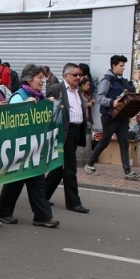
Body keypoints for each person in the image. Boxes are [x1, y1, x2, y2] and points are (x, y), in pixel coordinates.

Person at [0, 64, 60, 228]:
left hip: (34, 147)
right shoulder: (19, 96)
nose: (42, 81)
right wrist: (24, 107)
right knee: (15, 181)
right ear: (29, 79)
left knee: (37, 181)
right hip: (19, 146)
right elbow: (11, 120)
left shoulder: (39, 97)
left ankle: (42, 216)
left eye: (43, 78)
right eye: (39, 78)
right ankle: (3, 212)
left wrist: (49, 105)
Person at [84, 55, 140, 180]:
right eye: (121, 66)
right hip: (109, 117)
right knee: (104, 142)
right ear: (114, 66)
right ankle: (89, 165)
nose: (123, 68)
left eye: (124, 66)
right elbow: (100, 98)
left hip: (122, 117)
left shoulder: (121, 80)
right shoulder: (107, 80)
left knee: (124, 144)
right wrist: (112, 102)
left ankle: (128, 172)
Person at [45, 63, 89, 213]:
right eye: (75, 75)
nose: (78, 78)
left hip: (76, 130)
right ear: (65, 76)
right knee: (70, 168)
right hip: (65, 132)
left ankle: (42, 195)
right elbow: (48, 110)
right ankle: (73, 202)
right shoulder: (56, 89)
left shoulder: (78, 91)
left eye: (80, 75)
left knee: (58, 167)